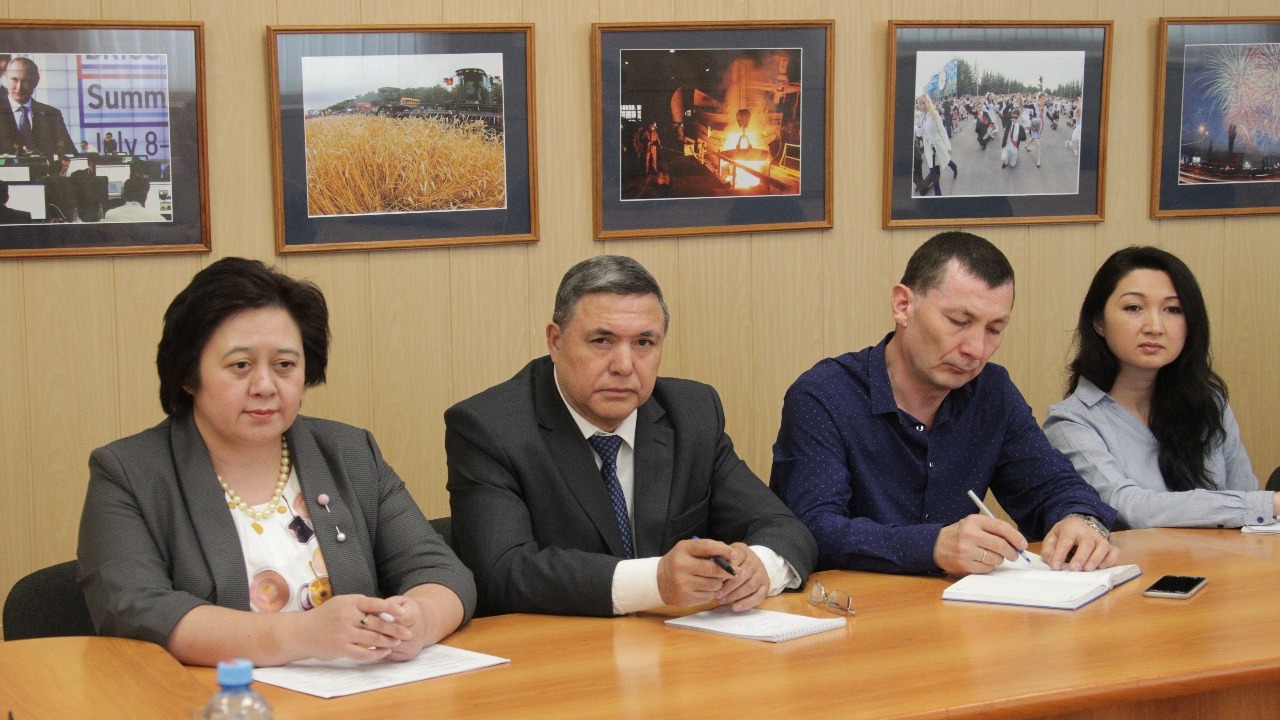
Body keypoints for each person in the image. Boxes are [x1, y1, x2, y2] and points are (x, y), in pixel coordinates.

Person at [78, 257, 475, 667]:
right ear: (188, 375)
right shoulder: (129, 473)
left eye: (284, 365)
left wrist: (417, 621)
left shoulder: (349, 452)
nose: (265, 386)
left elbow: (440, 570)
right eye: (240, 366)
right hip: (218, 697)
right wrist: (304, 634)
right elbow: (135, 609)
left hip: (354, 694)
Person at [446, 255, 818, 617]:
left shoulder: (691, 413)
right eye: (601, 341)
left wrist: (759, 567)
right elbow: (502, 572)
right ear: (555, 341)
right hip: (558, 647)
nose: (624, 366)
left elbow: (784, 527)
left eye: (643, 343)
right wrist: (655, 581)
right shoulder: (490, 428)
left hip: (679, 646)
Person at [771, 232, 1119, 577]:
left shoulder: (991, 391)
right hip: (853, 602)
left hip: (962, 603)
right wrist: (932, 546)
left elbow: (1053, 486)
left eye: (994, 329)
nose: (976, 349)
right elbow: (812, 528)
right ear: (903, 306)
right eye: (958, 322)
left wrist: (1080, 521)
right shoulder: (824, 395)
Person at [1044, 247, 1268, 529]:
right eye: (1133, 308)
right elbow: (1127, 508)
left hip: (1226, 556)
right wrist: (1268, 504)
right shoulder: (1071, 422)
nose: (1155, 327)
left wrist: (1260, 506)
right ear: (1098, 321)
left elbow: (1248, 503)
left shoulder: (1210, 401)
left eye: (1172, 309)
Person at [0, 57, 75, 157]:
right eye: (14, 80)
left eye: (25, 81)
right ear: (6, 78)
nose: (19, 87)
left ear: (36, 81)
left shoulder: (52, 115)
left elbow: (70, 155)